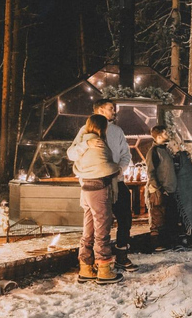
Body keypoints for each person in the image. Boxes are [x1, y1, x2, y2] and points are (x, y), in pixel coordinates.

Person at [70, 99, 138, 272]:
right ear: (100, 110)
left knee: (124, 218)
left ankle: (121, 255)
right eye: (111, 108)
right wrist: (86, 144)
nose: (114, 111)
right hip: (96, 184)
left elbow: (126, 154)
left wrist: (119, 170)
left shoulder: (117, 131)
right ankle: (92, 262)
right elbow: (71, 153)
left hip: (117, 181)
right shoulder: (85, 131)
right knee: (95, 223)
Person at [67, 114, 123, 284]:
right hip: (99, 187)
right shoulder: (97, 142)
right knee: (102, 227)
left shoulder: (84, 140)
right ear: (101, 127)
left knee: (89, 227)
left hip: (86, 187)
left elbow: (74, 155)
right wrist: (117, 169)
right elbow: (104, 165)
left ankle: (86, 266)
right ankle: (104, 269)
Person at [145, 125, 178, 252]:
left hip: (169, 189)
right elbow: (151, 172)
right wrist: (159, 188)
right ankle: (157, 244)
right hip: (159, 191)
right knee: (158, 218)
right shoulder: (154, 152)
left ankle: (168, 243)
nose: (167, 135)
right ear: (158, 136)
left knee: (168, 217)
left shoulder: (165, 150)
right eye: (165, 133)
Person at [173, 145, 192, 249]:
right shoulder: (184, 158)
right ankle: (189, 238)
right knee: (188, 214)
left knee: (186, 213)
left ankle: (188, 239)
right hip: (185, 189)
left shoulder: (180, 158)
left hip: (182, 189)